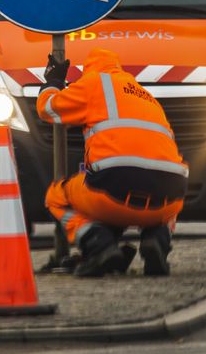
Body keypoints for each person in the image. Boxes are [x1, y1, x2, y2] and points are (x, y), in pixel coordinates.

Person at [37, 48, 187, 277]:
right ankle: (157, 239)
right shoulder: (143, 93)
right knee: (164, 187)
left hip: (113, 189)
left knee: (56, 197)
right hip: (170, 197)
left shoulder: (93, 82)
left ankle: (98, 244)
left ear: (88, 69)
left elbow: (47, 109)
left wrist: (53, 81)